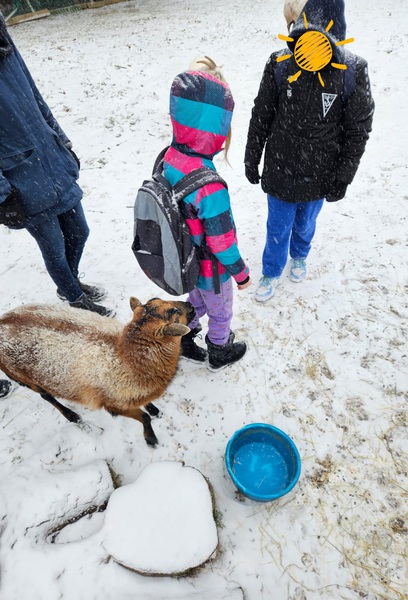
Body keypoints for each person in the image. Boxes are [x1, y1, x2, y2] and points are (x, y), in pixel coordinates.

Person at [244, 0, 374, 302]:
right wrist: (252, 156)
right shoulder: (280, 63)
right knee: (277, 226)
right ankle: (271, 270)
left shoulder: (352, 70)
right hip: (280, 166)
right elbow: (262, 113)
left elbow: (358, 130)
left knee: (305, 223)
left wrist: (343, 177)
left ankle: (300, 255)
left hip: (320, 172)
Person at [0, 13, 113, 317]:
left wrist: (62, 141)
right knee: (54, 247)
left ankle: (68, 284)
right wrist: (3, 196)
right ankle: (75, 298)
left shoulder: (3, 40)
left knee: (80, 231)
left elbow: (35, 95)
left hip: (50, 158)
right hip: (20, 178)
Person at [163, 56, 252, 370]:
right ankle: (219, 351)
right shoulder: (209, 186)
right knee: (221, 312)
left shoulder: (170, 157)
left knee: (197, 301)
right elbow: (222, 243)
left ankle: (184, 338)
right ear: (218, 125)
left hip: (186, 262)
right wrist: (241, 273)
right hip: (212, 270)